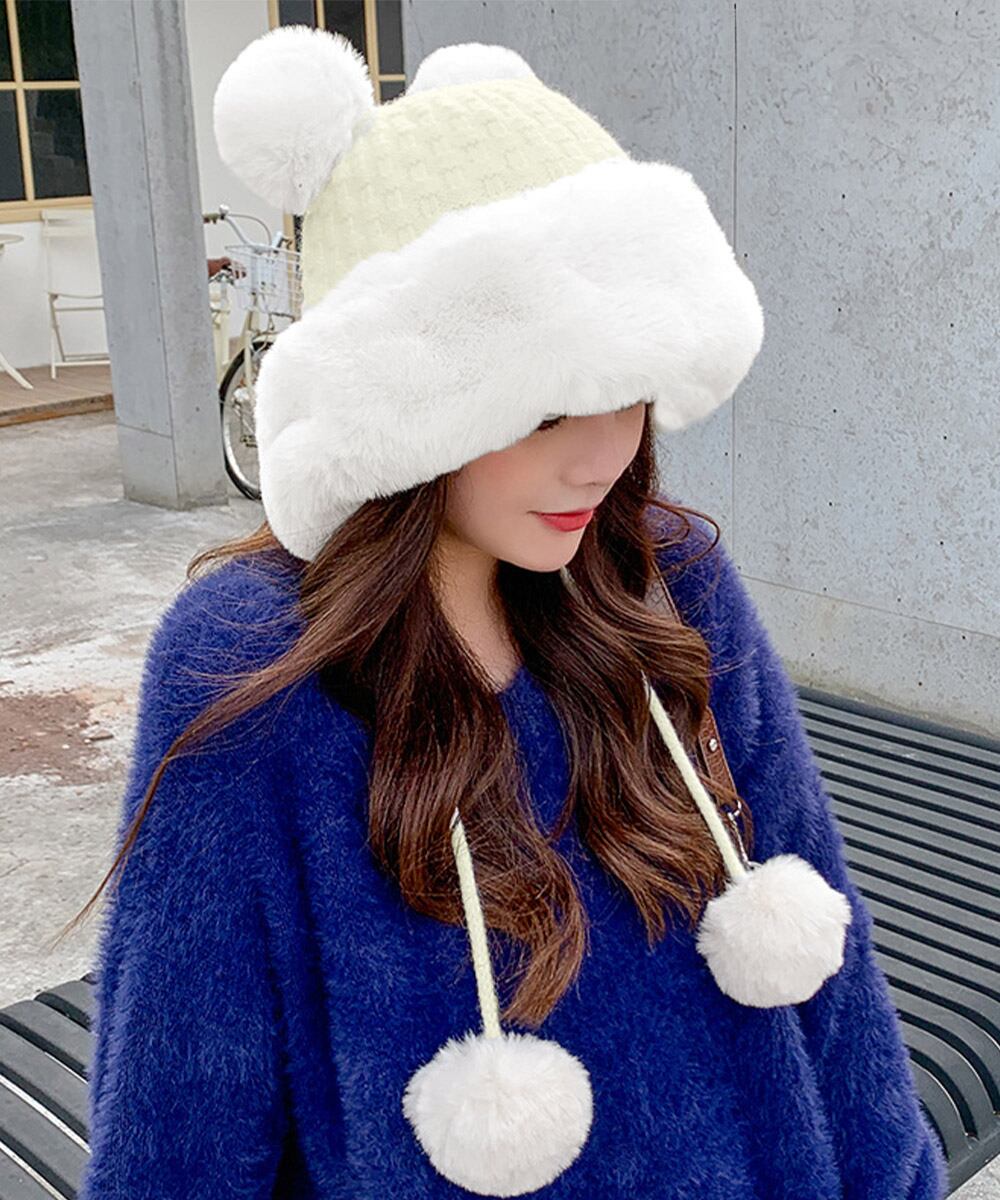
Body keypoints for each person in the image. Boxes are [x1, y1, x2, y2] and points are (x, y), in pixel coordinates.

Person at [63, 28, 948, 1200]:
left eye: (627, 388)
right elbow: (182, 1111)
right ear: (399, 406)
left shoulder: (663, 581)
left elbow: (834, 987)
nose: (603, 455)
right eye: (540, 408)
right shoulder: (252, 663)